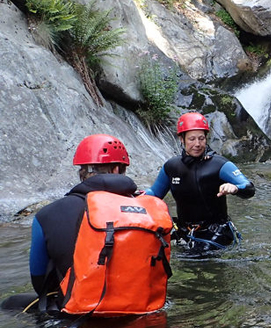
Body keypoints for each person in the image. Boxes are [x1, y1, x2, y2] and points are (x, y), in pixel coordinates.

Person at [20, 134, 173, 316]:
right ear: (118, 169)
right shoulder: (150, 210)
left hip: (79, 317)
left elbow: (39, 283)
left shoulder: (47, 214)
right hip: (143, 312)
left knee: (12, 303)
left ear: (82, 170)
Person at [146, 112, 255, 252]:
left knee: (200, 257)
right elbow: (154, 194)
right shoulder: (172, 166)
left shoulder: (220, 165)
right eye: (191, 139)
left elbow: (249, 188)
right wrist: (135, 197)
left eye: (201, 139)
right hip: (185, 231)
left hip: (216, 232)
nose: (197, 144)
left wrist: (235, 188)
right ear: (181, 139)